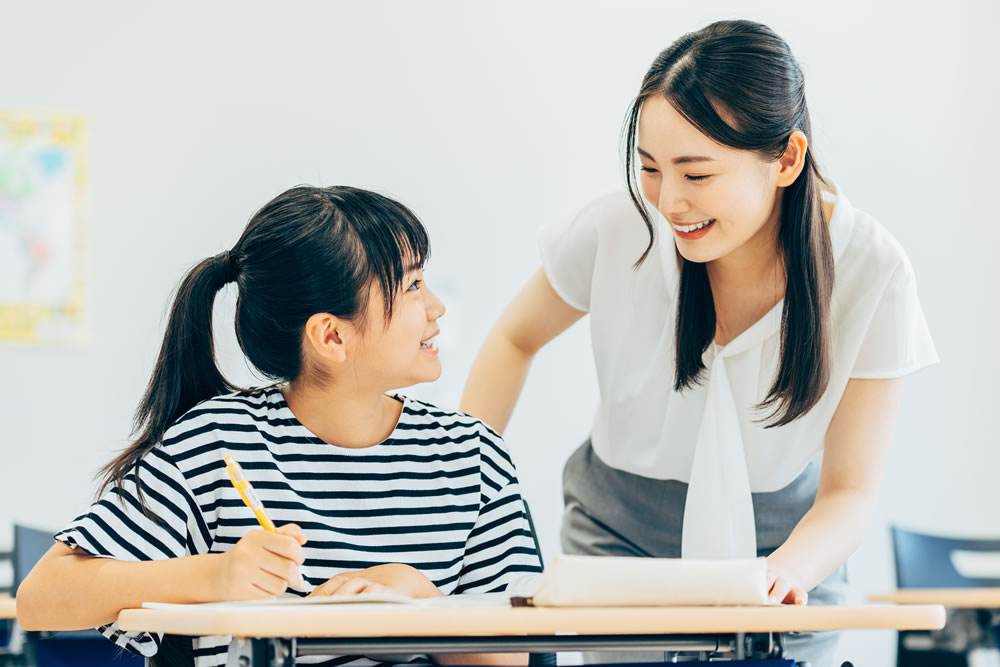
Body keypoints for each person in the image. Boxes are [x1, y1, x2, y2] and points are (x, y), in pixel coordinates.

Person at [460, 20, 937, 665]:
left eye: (697, 174)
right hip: (620, 540)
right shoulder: (620, 227)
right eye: (652, 169)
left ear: (787, 160)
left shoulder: (871, 271)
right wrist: (457, 491)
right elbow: (516, 338)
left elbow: (849, 493)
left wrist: (785, 572)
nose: (670, 202)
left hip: (789, 549)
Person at [17, 185, 541, 667]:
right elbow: (42, 600)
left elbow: (511, 658)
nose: (436, 307)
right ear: (332, 337)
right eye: (412, 286)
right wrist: (214, 574)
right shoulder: (217, 443)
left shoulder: (473, 455)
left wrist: (420, 600)